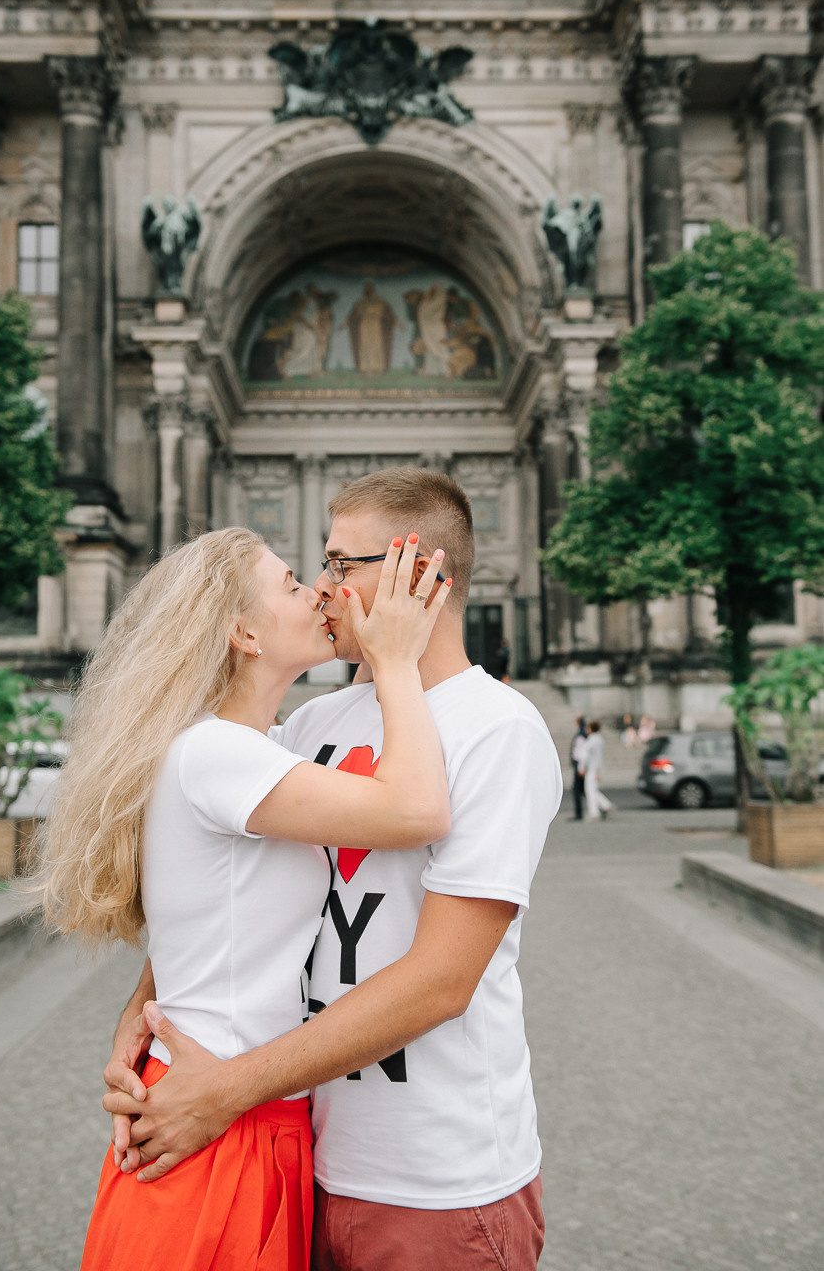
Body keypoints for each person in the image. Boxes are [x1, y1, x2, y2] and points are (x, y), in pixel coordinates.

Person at [103, 467, 562, 1271]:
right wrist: (146, 1019)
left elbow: (441, 982)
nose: (322, 586)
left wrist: (224, 1089)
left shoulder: (499, 729)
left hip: (437, 1175)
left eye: (342, 564)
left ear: (419, 573)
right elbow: (228, 889)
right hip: (306, 1154)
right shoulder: (311, 721)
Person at [32, 526, 454, 1271]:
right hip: (217, 1118)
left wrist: (145, 1001)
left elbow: (209, 910)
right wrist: (394, 661)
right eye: (292, 583)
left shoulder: (248, 748)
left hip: (240, 1105)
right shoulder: (218, 753)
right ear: (244, 633)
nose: (319, 590)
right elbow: (418, 810)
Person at [582, 719, 613, 821]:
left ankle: (594, 812)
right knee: (593, 790)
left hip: (592, 768)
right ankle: (605, 805)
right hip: (597, 768)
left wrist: (582, 767)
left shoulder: (592, 740)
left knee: (590, 790)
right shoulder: (599, 739)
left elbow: (585, 755)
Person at [569, 715, 587, 821]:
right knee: (583, 790)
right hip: (579, 764)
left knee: (577, 790)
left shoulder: (581, 735)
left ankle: (579, 813)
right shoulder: (582, 733)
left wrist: (581, 767)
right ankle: (603, 806)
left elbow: (581, 753)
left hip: (579, 765)